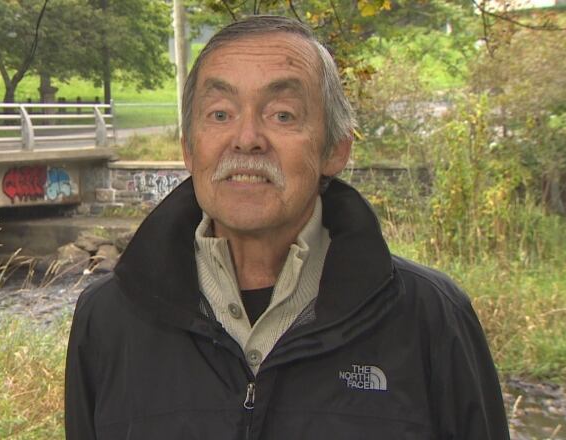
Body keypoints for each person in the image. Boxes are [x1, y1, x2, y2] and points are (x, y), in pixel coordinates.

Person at [65, 15, 509, 439]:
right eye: (220, 113)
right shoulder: (108, 319)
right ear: (189, 149)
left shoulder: (429, 317)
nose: (246, 138)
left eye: (282, 114)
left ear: (335, 149)